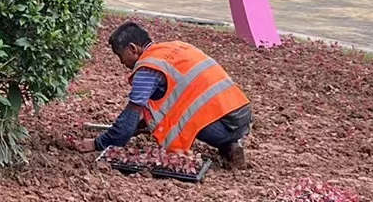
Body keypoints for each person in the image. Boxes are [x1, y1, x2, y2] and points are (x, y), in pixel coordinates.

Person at [73, 21, 252, 168]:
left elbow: (128, 120)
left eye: (120, 56)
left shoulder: (148, 68)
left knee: (181, 120)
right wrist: (142, 125)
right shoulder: (172, 48)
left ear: (133, 49)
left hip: (224, 125)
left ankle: (226, 141)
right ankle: (230, 145)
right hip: (240, 113)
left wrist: (98, 143)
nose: (121, 62)